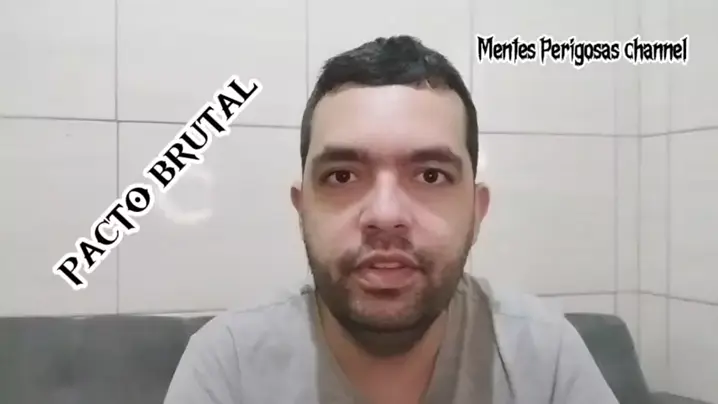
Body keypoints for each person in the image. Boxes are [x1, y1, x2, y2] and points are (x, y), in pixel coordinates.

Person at [163, 35, 618, 404]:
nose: (385, 215)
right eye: (342, 176)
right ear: (302, 210)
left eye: (430, 175)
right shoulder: (228, 367)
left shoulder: (545, 358)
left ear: (476, 212)